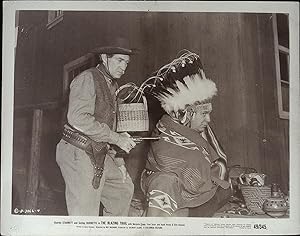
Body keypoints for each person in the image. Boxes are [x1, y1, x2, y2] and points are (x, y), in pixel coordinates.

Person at [141, 50, 231, 217]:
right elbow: (183, 168)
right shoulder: (165, 133)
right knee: (164, 182)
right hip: (170, 188)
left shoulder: (199, 130)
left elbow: (219, 163)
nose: (209, 119)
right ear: (186, 114)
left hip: (200, 194)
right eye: (204, 113)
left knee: (224, 191)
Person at [56, 37, 138, 216]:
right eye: (119, 60)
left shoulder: (112, 85)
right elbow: (78, 118)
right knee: (85, 213)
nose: (123, 67)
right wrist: (117, 138)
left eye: (126, 62)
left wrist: (119, 161)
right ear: (103, 57)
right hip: (78, 150)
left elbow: (107, 128)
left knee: (123, 189)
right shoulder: (87, 78)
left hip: (98, 150)